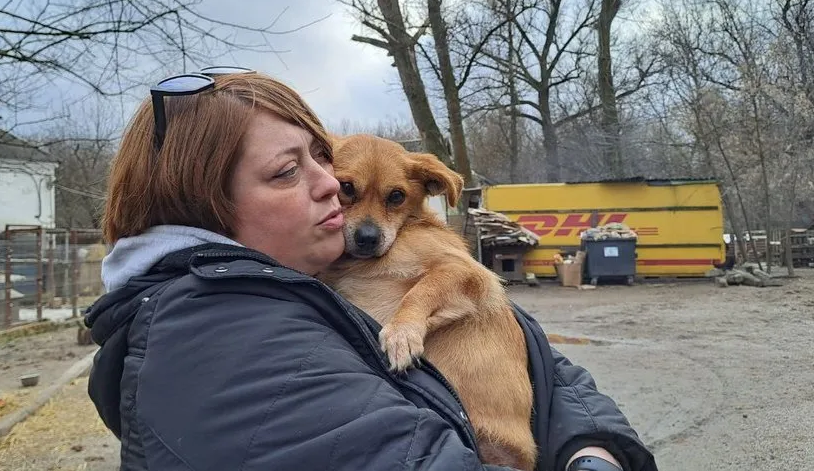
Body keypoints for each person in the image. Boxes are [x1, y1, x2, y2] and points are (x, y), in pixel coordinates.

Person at [83, 68, 657, 471]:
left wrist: (591, 447)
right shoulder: (216, 342)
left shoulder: (293, 286)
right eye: (288, 170)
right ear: (204, 205)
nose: (330, 184)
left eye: (320, 157)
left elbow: (534, 355)